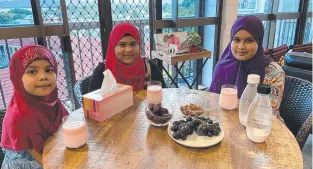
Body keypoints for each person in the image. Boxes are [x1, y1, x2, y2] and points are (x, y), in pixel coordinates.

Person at [1, 45, 69, 168]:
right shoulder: (17, 115)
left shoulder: (52, 102)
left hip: (51, 152)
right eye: (32, 71)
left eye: (49, 70)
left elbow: (67, 123)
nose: (43, 76)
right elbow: (40, 159)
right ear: (17, 76)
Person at [210, 16, 284, 116]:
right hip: (223, 122)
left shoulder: (273, 72)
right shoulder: (223, 66)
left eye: (249, 40)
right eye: (236, 40)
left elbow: (269, 114)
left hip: (260, 125)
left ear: (259, 41)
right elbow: (212, 100)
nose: (241, 46)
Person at [88, 23, 166, 92]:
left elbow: (163, 93)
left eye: (133, 44)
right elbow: (92, 102)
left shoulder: (149, 67)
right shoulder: (102, 71)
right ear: (113, 47)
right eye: (122, 45)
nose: (129, 50)